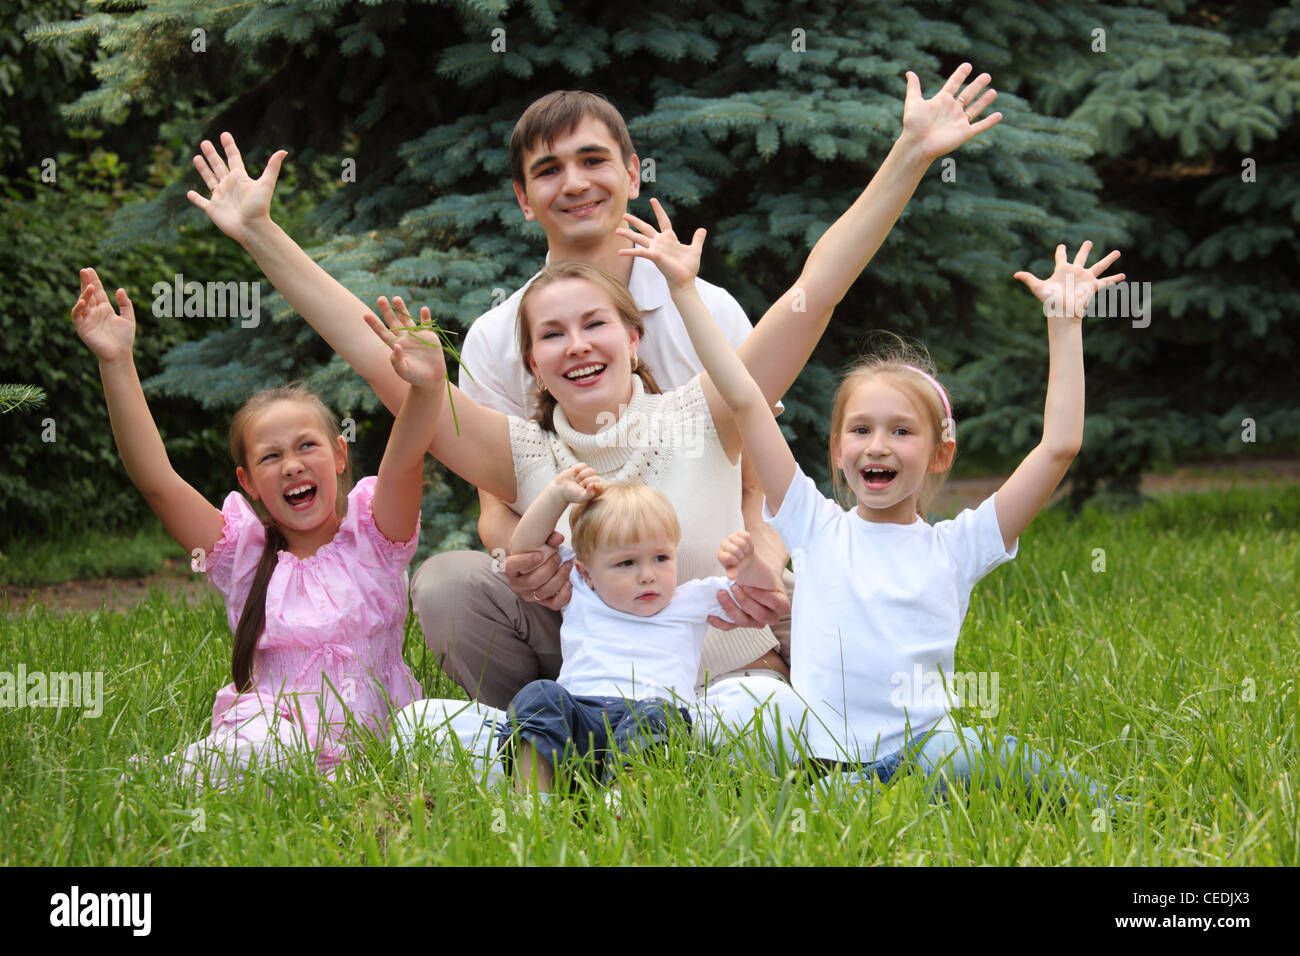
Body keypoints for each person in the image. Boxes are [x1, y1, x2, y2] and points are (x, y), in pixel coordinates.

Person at [184, 63, 1002, 760]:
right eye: (552, 334)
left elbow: (812, 294)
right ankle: (549, 736)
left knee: (761, 717)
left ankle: (656, 741)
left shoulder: (707, 410)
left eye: (595, 326)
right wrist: (261, 234)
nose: (576, 346)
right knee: (431, 719)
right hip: (592, 680)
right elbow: (384, 364)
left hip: (721, 672)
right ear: (526, 358)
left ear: (634, 336)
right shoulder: (528, 452)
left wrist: (909, 155)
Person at [620, 195, 1124, 807]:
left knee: (1006, 764)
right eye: (859, 430)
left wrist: (1065, 324)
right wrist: (685, 292)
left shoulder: (960, 546)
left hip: (926, 751)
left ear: (941, 453)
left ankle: (1118, 809)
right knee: (749, 721)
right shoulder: (815, 525)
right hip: (816, 755)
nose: (876, 446)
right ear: (836, 451)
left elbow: (1059, 446)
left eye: (902, 431)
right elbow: (747, 399)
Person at [72, 267, 447, 787]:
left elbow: (405, 462)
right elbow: (157, 481)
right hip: (275, 735)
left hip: (380, 739)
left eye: (307, 446)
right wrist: (115, 362)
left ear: (340, 456)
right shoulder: (243, 556)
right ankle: (179, 777)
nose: (292, 464)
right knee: (273, 749)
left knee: (439, 736)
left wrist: (427, 390)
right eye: (271, 457)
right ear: (249, 482)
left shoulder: (374, 537)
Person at [501, 466, 783, 794]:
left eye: (661, 558)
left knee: (657, 711)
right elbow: (526, 548)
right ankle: (535, 802)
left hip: (650, 723)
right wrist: (556, 495)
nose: (647, 575)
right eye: (627, 563)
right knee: (538, 695)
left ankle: (624, 804)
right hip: (578, 715)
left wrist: (751, 565)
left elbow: (759, 591)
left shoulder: (690, 599)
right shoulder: (580, 588)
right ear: (586, 571)